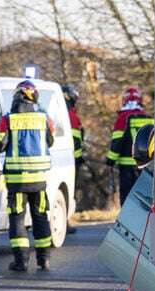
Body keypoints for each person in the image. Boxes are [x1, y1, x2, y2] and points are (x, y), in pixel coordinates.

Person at [0, 80, 56, 272]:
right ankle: (43, 259)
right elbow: (51, 141)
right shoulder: (44, 118)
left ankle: (21, 262)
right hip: (38, 180)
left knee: (18, 219)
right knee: (40, 218)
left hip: (17, 180)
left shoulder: (7, 119)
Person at [108, 87, 153, 205]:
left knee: (127, 197)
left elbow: (116, 142)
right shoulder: (149, 119)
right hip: (146, 167)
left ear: (124, 100)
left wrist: (110, 161)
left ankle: (126, 221)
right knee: (144, 197)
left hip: (126, 167)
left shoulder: (123, 118)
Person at [63, 84, 84, 232]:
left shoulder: (65, 113)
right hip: (69, 161)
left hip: (63, 158)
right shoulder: (70, 115)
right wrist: (78, 158)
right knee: (69, 190)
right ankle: (65, 221)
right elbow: (75, 140)